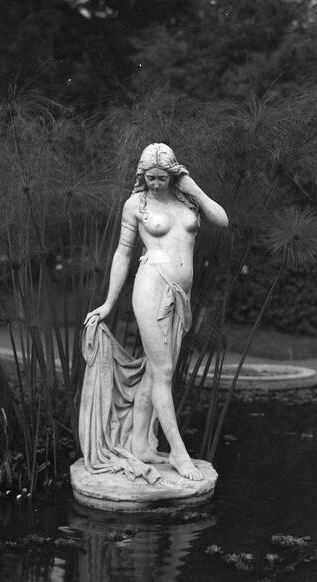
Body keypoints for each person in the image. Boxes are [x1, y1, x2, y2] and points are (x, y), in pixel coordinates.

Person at [84, 143, 228, 481]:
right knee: (163, 372)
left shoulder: (187, 199)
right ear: (141, 175)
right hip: (152, 288)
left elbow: (221, 219)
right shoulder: (136, 204)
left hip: (182, 296)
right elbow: (122, 254)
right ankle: (179, 453)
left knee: (156, 369)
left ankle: (141, 444)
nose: (156, 183)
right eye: (149, 177)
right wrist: (108, 303)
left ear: (174, 174)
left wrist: (192, 187)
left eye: (162, 177)